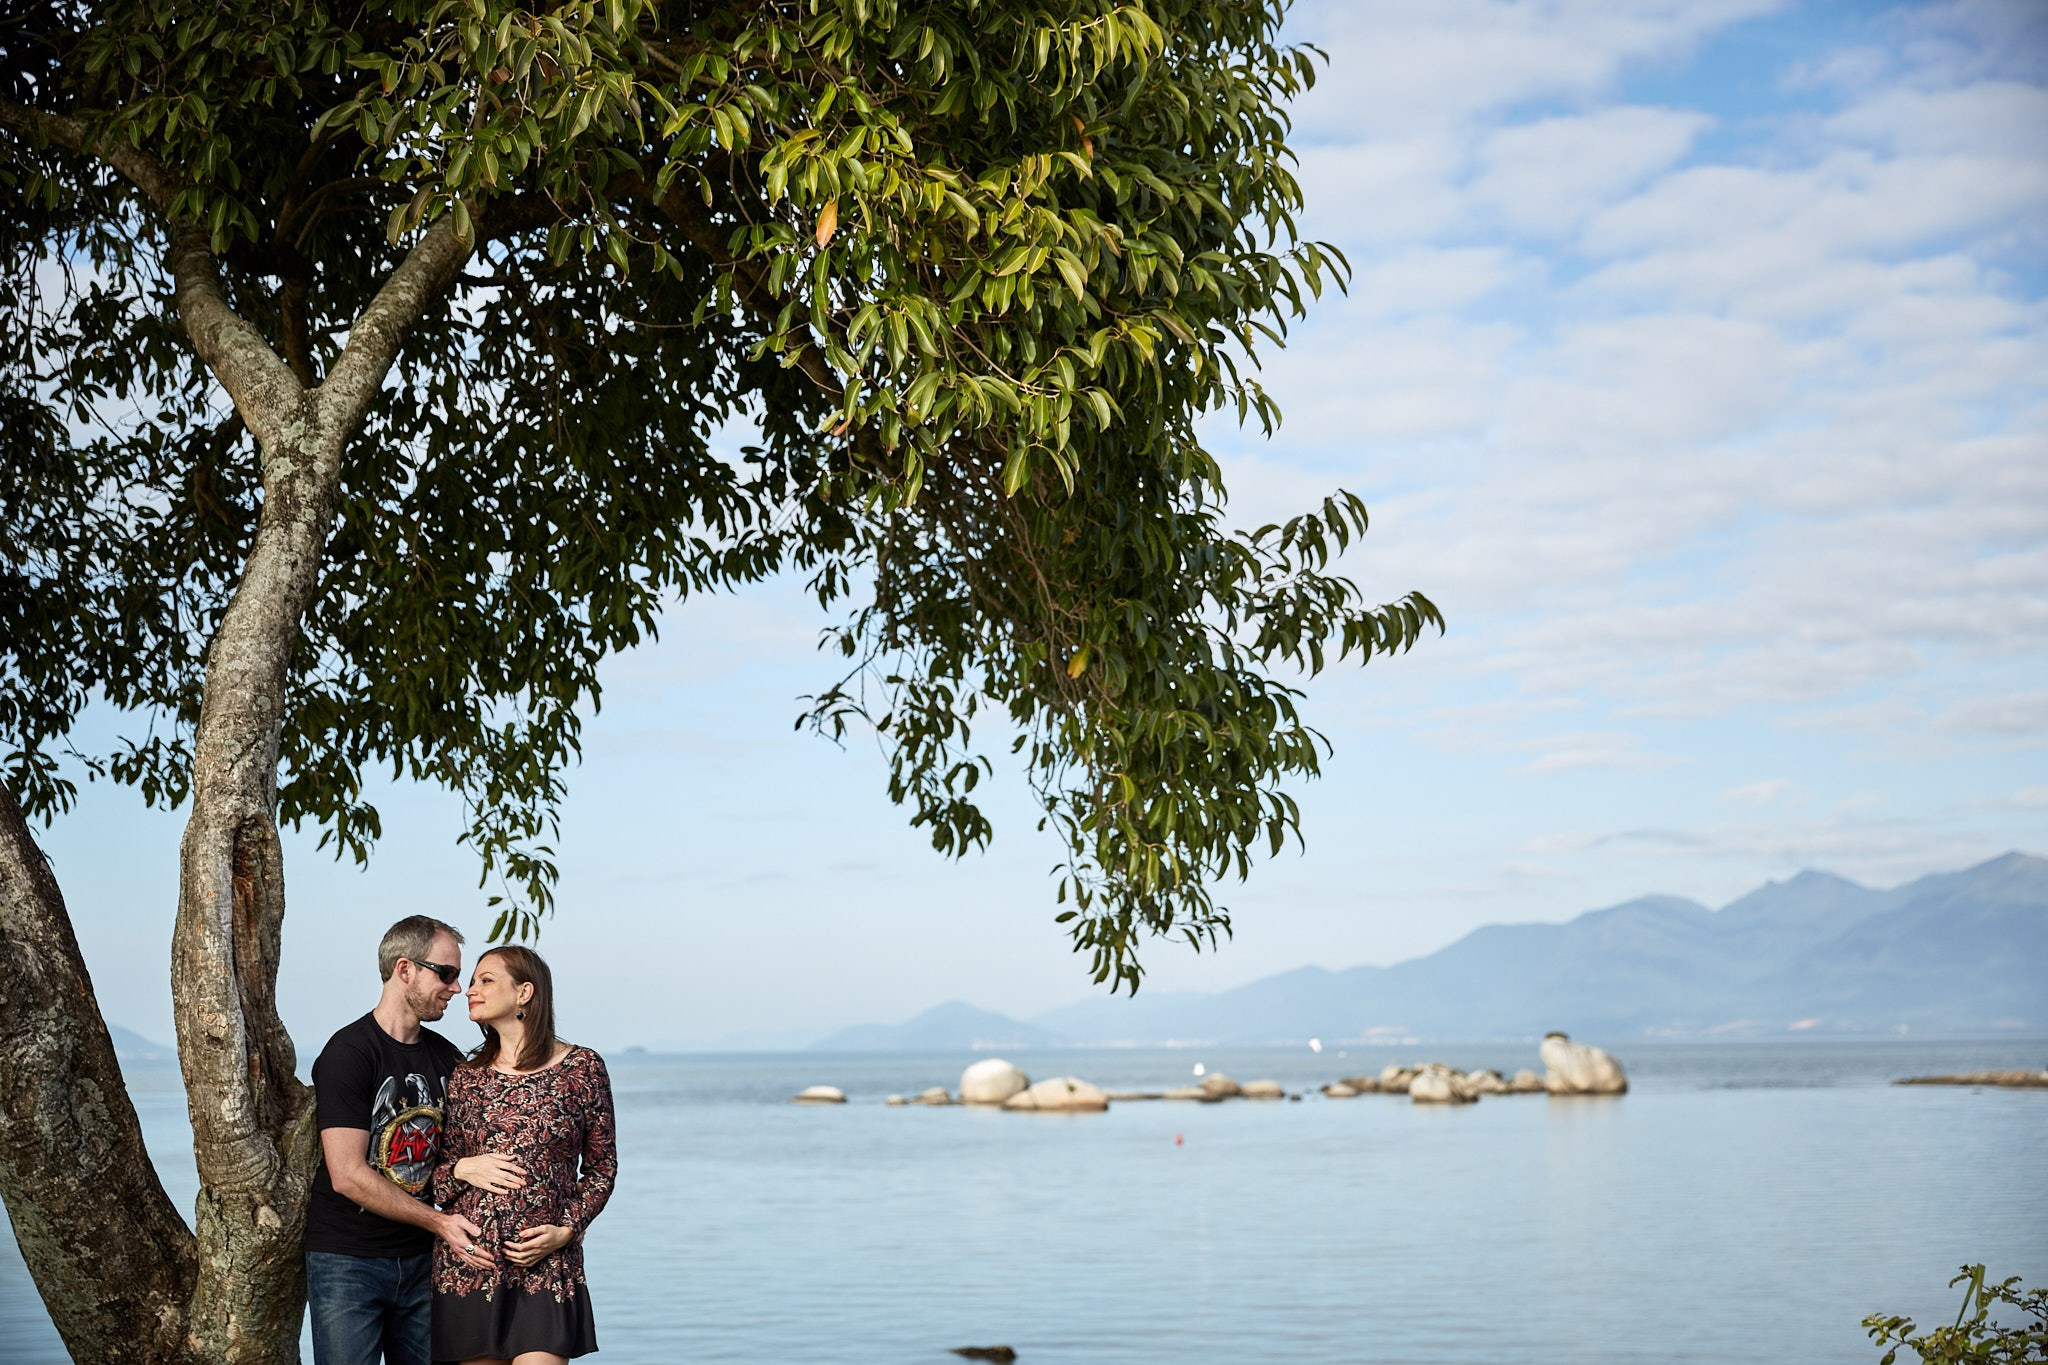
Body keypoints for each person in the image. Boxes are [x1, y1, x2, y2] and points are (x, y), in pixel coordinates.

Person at [306, 915, 493, 1364]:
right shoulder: (349, 1053)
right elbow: (347, 1175)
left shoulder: (447, 1058)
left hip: (425, 1261)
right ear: (404, 969)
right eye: (446, 973)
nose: (456, 988)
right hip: (348, 1261)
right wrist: (440, 1224)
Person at [432, 945, 617, 1365]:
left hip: (546, 1265)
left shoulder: (582, 1068)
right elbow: (438, 1180)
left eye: (485, 981)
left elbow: (602, 1169)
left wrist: (567, 1229)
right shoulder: (466, 1077)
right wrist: (462, 1167)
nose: (470, 990)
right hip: (472, 1265)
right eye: (473, 982)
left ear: (524, 992)